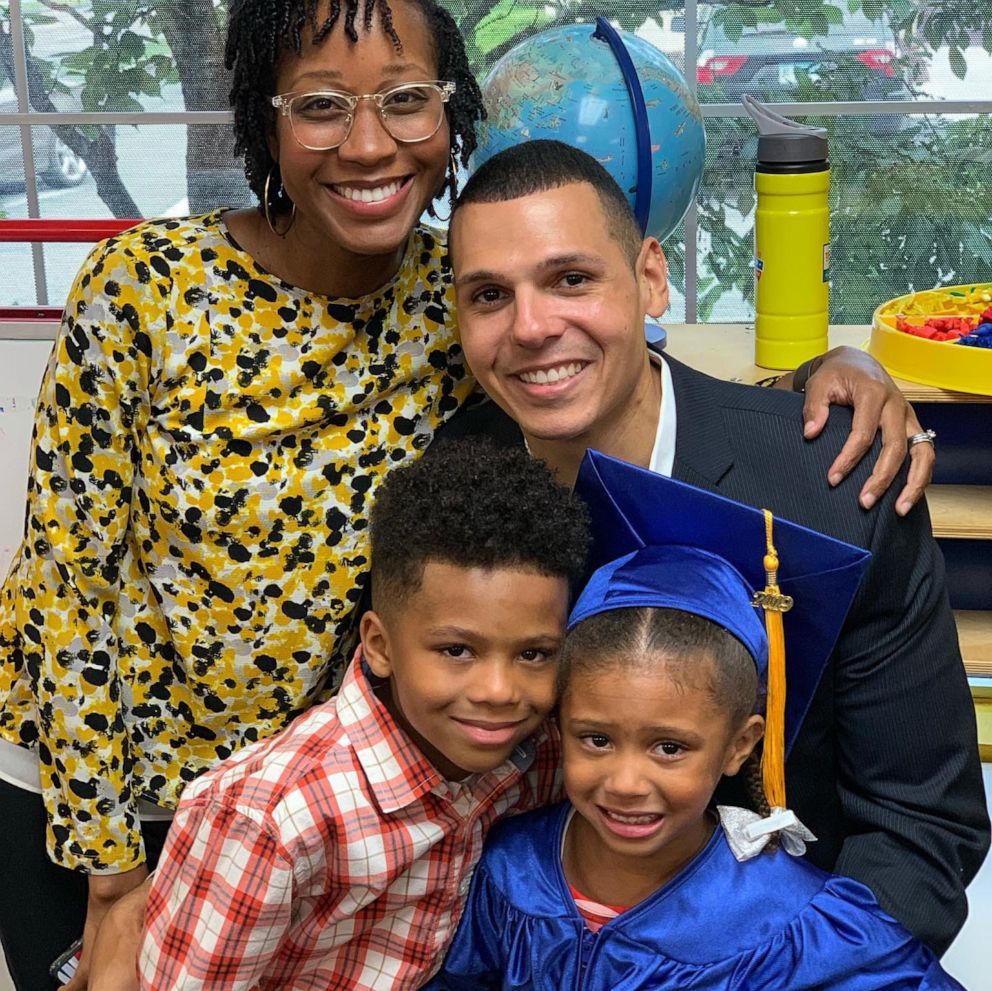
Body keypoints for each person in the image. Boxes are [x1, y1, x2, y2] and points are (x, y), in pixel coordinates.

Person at [0, 1, 934, 987]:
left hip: (355, 809)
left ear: (447, 112)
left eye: (405, 99)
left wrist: (822, 379)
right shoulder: (146, 287)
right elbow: (69, 587)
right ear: (262, 120)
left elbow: (595, 362)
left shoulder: (449, 296)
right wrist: (112, 878)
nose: (368, 143)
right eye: (320, 104)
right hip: (111, 805)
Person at [443, 139, 989, 954]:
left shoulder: (837, 485)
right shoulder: (449, 490)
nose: (530, 327)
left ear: (651, 276)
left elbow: (918, 819)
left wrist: (795, 973)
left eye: (571, 279)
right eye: (489, 294)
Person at [427, 454, 963, 990]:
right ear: (557, 723)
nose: (626, 783)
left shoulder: (800, 926)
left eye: (669, 748)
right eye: (596, 739)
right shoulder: (507, 870)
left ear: (740, 745)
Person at [132, 440, 587, 989]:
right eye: (457, 651)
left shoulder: (543, 757)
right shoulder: (270, 823)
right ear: (379, 645)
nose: (499, 691)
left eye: (533, 654)